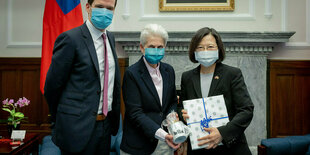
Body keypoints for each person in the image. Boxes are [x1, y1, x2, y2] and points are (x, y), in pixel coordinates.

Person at [44, 0, 120, 154]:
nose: (105, 12)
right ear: (88, 7)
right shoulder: (70, 39)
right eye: (99, 7)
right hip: (76, 129)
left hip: (104, 126)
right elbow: (52, 87)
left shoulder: (110, 38)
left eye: (109, 8)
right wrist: (62, 120)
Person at [178, 27, 254, 155]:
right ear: (194, 51)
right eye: (200, 47)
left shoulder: (232, 74)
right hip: (199, 146)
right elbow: (181, 107)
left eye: (210, 47)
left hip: (230, 148)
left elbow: (246, 110)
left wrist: (222, 133)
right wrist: (183, 115)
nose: (205, 51)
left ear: (219, 49)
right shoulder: (187, 77)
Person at [120, 24, 181, 155]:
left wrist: (172, 118)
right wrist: (163, 135)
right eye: (152, 47)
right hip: (139, 146)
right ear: (142, 48)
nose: (156, 50)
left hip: (165, 144)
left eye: (160, 47)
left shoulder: (168, 70)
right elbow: (135, 113)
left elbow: (171, 101)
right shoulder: (132, 74)